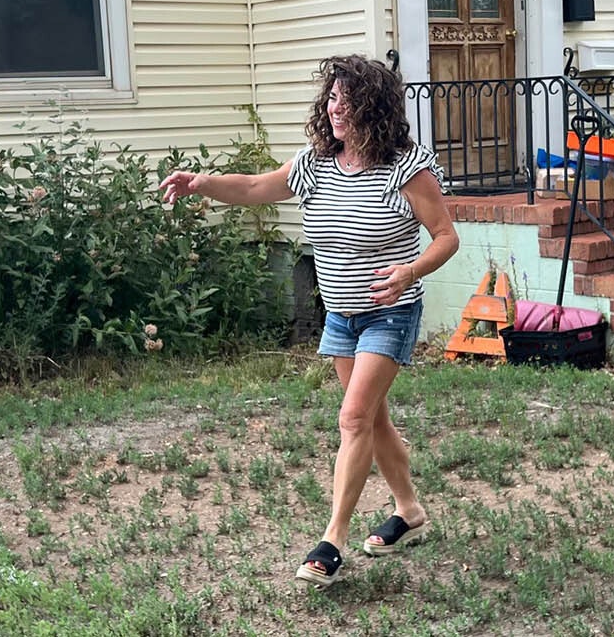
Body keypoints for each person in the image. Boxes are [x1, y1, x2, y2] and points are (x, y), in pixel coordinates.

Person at [159, 54, 459, 588]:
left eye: (345, 98)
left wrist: (408, 271)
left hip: (390, 313)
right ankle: (410, 512)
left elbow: (446, 237)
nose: (334, 106)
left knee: (352, 419)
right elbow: (254, 188)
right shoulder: (316, 163)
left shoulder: (406, 169)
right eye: (331, 97)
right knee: (373, 421)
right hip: (342, 317)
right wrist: (201, 183)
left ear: (374, 106)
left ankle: (332, 541)